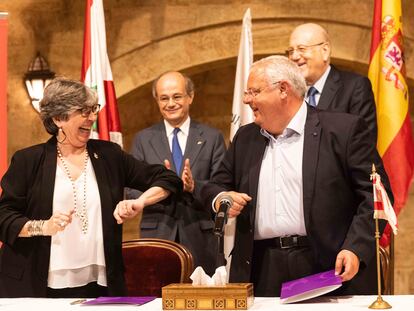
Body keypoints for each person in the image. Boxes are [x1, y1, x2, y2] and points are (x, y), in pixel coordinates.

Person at [201, 56, 392, 297]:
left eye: (254, 91)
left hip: (329, 266)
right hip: (261, 268)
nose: (246, 99)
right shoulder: (245, 138)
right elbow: (215, 185)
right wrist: (221, 197)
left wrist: (355, 248)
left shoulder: (343, 130)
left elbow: (377, 195)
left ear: (283, 89)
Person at [0, 78, 182, 298]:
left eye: (93, 110)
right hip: (36, 284)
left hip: (99, 285)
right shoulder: (28, 160)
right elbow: (4, 217)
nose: (93, 118)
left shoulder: (109, 155)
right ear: (58, 118)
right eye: (84, 112)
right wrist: (43, 227)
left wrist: (139, 202)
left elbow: (168, 179)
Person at [127, 71, 226, 275]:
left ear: (190, 97)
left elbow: (222, 187)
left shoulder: (212, 137)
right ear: (157, 100)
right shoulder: (143, 140)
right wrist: (162, 188)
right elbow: (132, 192)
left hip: (201, 235)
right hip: (157, 235)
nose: (170, 103)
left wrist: (193, 186)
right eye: (164, 98)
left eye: (177, 96)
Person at [287, 23, 377, 141]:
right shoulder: (289, 91)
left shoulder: (354, 87)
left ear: (325, 50)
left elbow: (363, 143)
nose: (294, 56)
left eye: (301, 49)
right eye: (290, 51)